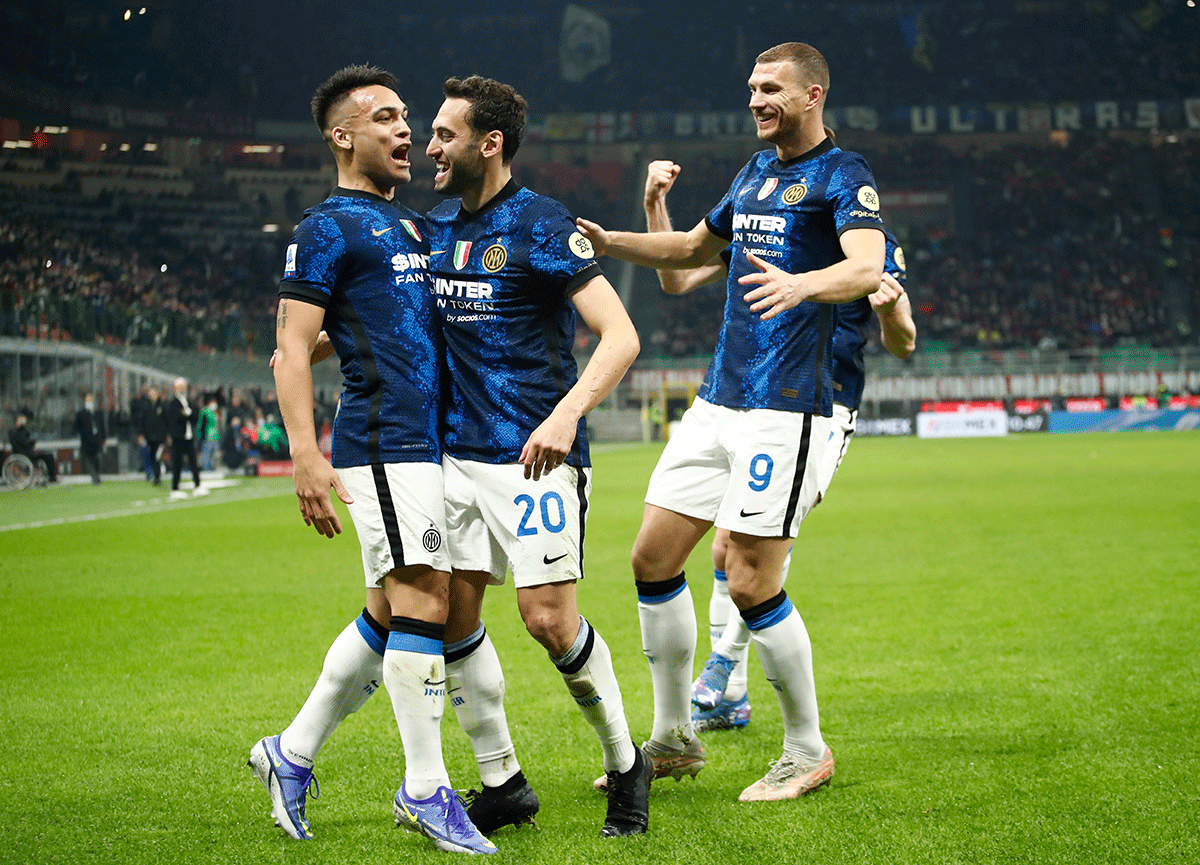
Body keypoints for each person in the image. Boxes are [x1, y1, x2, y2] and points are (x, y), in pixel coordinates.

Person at [575, 42, 887, 802]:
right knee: (652, 556)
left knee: (748, 576)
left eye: (771, 88)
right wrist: (610, 241)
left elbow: (869, 264)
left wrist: (802, 284)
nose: (755, 99)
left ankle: (806, 748)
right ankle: (675, 737)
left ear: (813, 94)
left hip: (791, 406)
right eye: (751, 86)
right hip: (722, 398)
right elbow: (686, 255)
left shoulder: (845, 177)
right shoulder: (755, 174)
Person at [249, 64, 494, 856]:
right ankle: (426, 788)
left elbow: (342, 333)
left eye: (407, 117)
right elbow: (291, 348)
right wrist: (306, 455)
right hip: (383, 445)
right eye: (385, 117)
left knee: (393, 611)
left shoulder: (414, 225)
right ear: (342, 135)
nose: (403, 130)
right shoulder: (327, 226)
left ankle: (289, 753)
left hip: (433, 448)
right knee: (424, 598)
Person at [423, 75, 649, 836]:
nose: (430, 147)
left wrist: (565, 414)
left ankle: (627, 762)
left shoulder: (542, 224)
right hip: (454, 458)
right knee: (451, 618)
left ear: (489, 144)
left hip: (535, 457)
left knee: (548, 620)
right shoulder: (434, 228)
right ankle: (503, 780)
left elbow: (621, 336)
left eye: (444, 135)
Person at [637, 157, 916, 733]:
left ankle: (724, 674)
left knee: (747, 554)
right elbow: (679, 276)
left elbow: (904, 341)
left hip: (823, 406)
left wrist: (888, 312)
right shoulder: (771, 226)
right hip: (749, 399)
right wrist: (654, 206)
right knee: (722, 551)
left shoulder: (871, 246)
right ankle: (729, 694)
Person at [165, 377, 204, 499]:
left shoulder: (187, 401)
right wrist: (187, 414)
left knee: (193, 462)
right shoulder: (173, 403)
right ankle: (175, 488)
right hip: (178, 437)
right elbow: (177, 418)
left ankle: (197, 485)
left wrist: (187, 413)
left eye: (184, 386)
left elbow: (194, 416)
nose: (182, 389)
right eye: (180, 386)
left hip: (188, 437)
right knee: (177, 463)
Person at [7, 413, 58, 483]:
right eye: (21, 420)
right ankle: (52, 477)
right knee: (48, 456)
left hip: (30, 453)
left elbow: (30, 440)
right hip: (24, 455)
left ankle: (52, 477)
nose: (23, 422)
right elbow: (25, 443)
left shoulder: (24, 431)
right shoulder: (14, 433)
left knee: (49, 455)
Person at [74, 393, 106, 484]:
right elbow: (76, 427)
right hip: (86, 441)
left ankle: (97, 474)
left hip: (97, 440)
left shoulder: (97, 414)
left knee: (97, 459)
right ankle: (94, 477)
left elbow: (102, 426)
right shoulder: (81, 414)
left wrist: (104, 438)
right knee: (88, 460)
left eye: (90, 401)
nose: (89, 402)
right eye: (87, 401)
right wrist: (83, 433)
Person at [139, 387, 168, 486]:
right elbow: (142, 421)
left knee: (157, 457)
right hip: (149, 436)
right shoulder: (146, 406)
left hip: (160, 437)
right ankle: (152, 474)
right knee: (151, 456)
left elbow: (166, 422)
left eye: (154, 393)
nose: (152, 395)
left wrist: (167, 435)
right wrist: (141, 434)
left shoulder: (162, 406)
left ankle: (157, 476)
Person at [197, 395, 221, 471]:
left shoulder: (216, 412)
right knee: (206, 453)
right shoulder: (204, 411)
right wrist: (199, 435)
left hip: (215, 436)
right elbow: (200, 424)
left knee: (213, 454)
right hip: (207, 435)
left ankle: (211, 468)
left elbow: (217, 425)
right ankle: (206, 468)